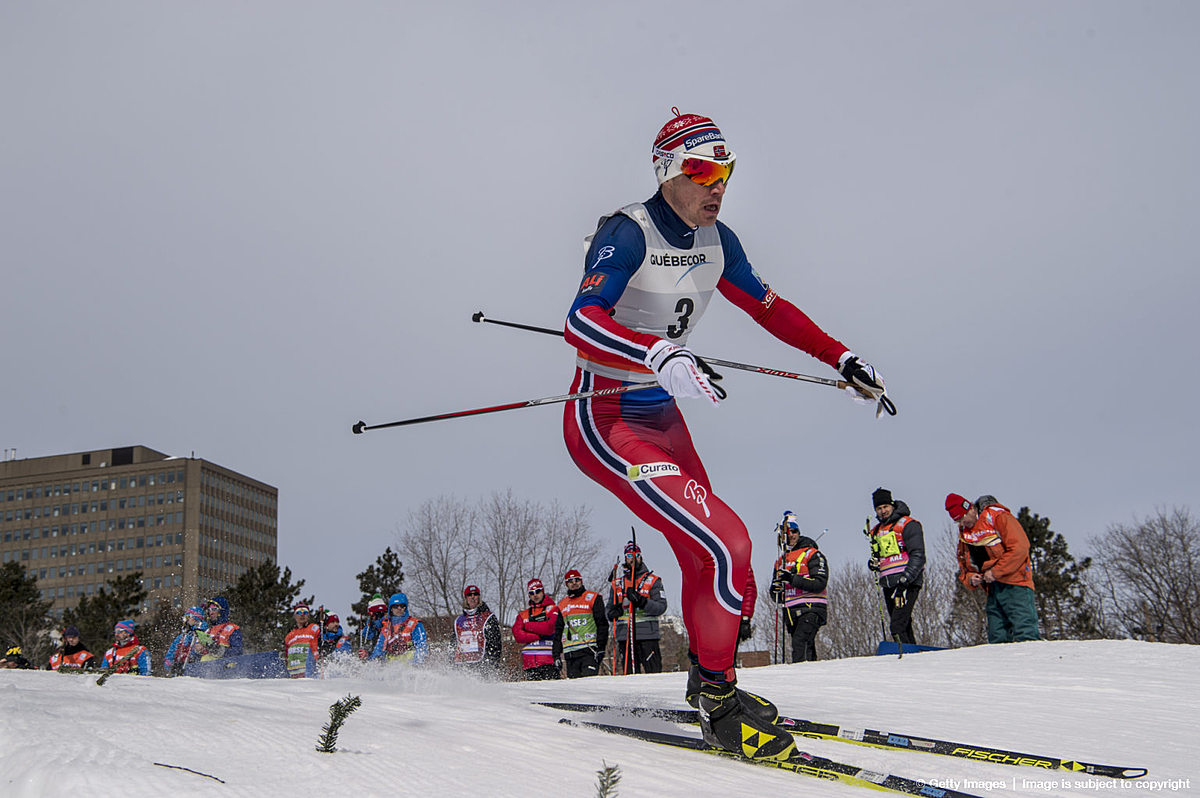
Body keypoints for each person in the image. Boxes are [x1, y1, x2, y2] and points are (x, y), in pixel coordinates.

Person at [561, 109, 890, 760]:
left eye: (726, 171)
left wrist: (842, 358)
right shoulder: (629, 231)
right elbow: (580, 320)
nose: (718, 185)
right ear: (668, 172)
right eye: (704, 171)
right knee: (725, 541)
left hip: (664, 416)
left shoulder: (720, 241)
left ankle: (712, 684)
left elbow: (771, 308)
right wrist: (657, 353)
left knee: (723, 558)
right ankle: (717, 701)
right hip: (607, 416)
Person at [946, 493, 1040, 643]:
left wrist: (996, 572)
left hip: (1016, 583)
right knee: (997, 637)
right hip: (992, 588)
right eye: (957, 521)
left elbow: (1020, 548)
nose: (962, 523)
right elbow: (964, 563)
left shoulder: (997, 516)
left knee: (1025, 632)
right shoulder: (965, 534)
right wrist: (970, 578)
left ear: (970, 509)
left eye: (963, 518)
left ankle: (1033, 664)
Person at [866, 487, 926, 646]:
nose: (882, 511)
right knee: (903, 623)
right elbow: (879, 557)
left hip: (907, 581)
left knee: (897, 626)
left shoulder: (907, 524)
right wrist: (873, 564)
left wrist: (906, 578)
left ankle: (904, 654)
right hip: (888, 582)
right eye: (879, 508)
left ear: (892, 505)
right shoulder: (877, 531)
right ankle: (914, 653)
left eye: (885, 507)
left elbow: (918, 554)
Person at [769, 512, 828, 662]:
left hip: (811, 608)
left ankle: (800, 674)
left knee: (800, 643)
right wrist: (775, 590)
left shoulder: (812, 554)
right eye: (787, 533)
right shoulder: (780, 561)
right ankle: (812, 675)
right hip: (791, 611)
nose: (791, 536)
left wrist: (792, 578)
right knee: (806, 645)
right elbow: (776, 596)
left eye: (794, 532)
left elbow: (820, 583)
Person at [606, 543, 666, 675]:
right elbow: (608, 610)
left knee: (654, 675)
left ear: (641, 556)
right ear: (625, 558)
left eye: (636, 555)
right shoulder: (617, 583)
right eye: (629, 555)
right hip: (625, 637)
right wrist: (612, 613)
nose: (633, 558)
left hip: (647, 636)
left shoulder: (653, 581)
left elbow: (661, 607)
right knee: (629, 678)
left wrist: (642, 601)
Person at [557, 569, 608, 678]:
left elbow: (602, 624)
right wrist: (556, 655)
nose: (574, 583)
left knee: (588, 685)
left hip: (589, 651)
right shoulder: (562, 604)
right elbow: (558, 631)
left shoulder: (593, 598)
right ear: (566, 584)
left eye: (577, 580)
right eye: (570, 581)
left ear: (581, 581)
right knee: (575, 690)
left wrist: (601, 648)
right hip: (570, 654)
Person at [511, 578, 563, 680]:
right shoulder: (523, 614)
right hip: (529, 663)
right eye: (532, 593)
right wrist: (538, 635)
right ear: (529, 595)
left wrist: (527, 626)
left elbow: (549, 628)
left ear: (543, 592)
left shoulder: (552, 609)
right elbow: (517, 635)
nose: (535, 595)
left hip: (549, 661)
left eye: (538, 591)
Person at [452, 585, 502, 674]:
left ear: (479, 597)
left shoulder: (488, 617)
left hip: (481, 664)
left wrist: (492, 664)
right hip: (462, 665)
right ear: (466, 598)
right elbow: (453, 644)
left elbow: (495, 643)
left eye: (475, 594)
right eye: (469, 595)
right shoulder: (459, 621)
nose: (472, 597)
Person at [370, 592, 429, 664]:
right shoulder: (386, 628)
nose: (399, 608)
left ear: (405, 607)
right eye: (395, 606)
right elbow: (378, 649)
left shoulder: (415, 624)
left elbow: (421, 645)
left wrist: (417, 664)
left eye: (402, 606)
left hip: (410, 665)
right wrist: (371, 663)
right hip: (391, 667)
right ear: (391, 609)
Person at [194, 596, 243, 660]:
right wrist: (199, 651)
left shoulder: (232, 629)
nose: (211, 613)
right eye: (209, 610)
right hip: (205, 666)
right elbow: (195, 658)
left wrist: (220, 651)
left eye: (214, 609)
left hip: (225, 666)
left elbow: (238, 651)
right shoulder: (208, 631)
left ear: (221, 610)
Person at [163, 607, 207, 676]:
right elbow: (171, 653)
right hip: (178, 673)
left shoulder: (201, 635)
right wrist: (170, 664)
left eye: (187, 617)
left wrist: (187, 665)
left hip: (193, 674)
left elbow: (200, 653)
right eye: (185, 618)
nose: (185, 620)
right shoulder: (182, 636)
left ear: (195, 619)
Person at [284, 603, 321, 678]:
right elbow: (286, 657)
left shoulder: (314, 628)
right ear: (295, 616)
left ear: (308, 615)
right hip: (294, 673)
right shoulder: (289, 636)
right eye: (299, 613)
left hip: (310, 672)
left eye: (305, 612)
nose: (302, 615)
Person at [357, 594, 387, 659]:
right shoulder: (374, 626)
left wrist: (369, 656)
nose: (371, 618)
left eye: (371, 616)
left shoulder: (387, 626)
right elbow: (367, 635)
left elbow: (380, 652)